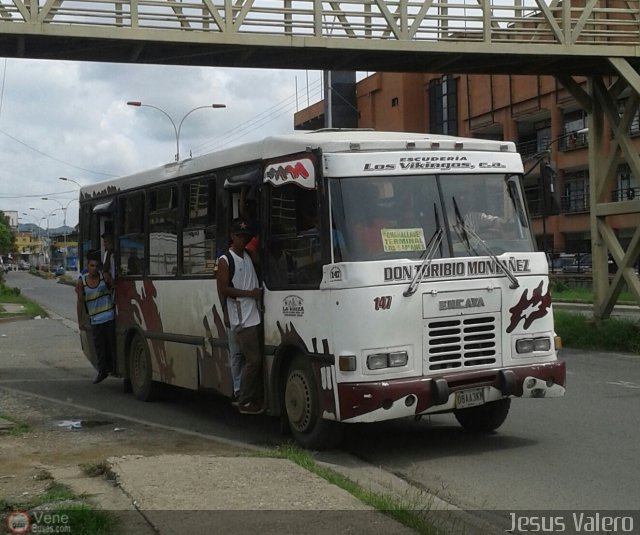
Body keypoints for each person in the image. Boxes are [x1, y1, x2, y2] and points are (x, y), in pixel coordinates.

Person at [216, 219, 263, 415]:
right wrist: (248, 294)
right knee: (253, 360)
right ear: (232, 237)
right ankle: (244, 399)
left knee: (244, 358)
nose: (242, 240)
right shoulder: (225, 260)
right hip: (242, 317)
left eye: (245, 236)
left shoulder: (248, 256)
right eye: (239, 236)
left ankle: (245, 394)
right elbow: (223, 288)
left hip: (253, 314)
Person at [76, 249, 116, 384]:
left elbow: (115, 287)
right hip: (95, 319)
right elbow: (80, 303)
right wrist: (80, 321)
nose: (94, 269)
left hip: (109, 317)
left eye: (96, 266)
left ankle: (112, 368)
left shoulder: (103, 278)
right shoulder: (82, 282)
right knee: (99, 346)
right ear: (87, 266)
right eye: (91, 266)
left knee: (110, 345)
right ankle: (102, 371)